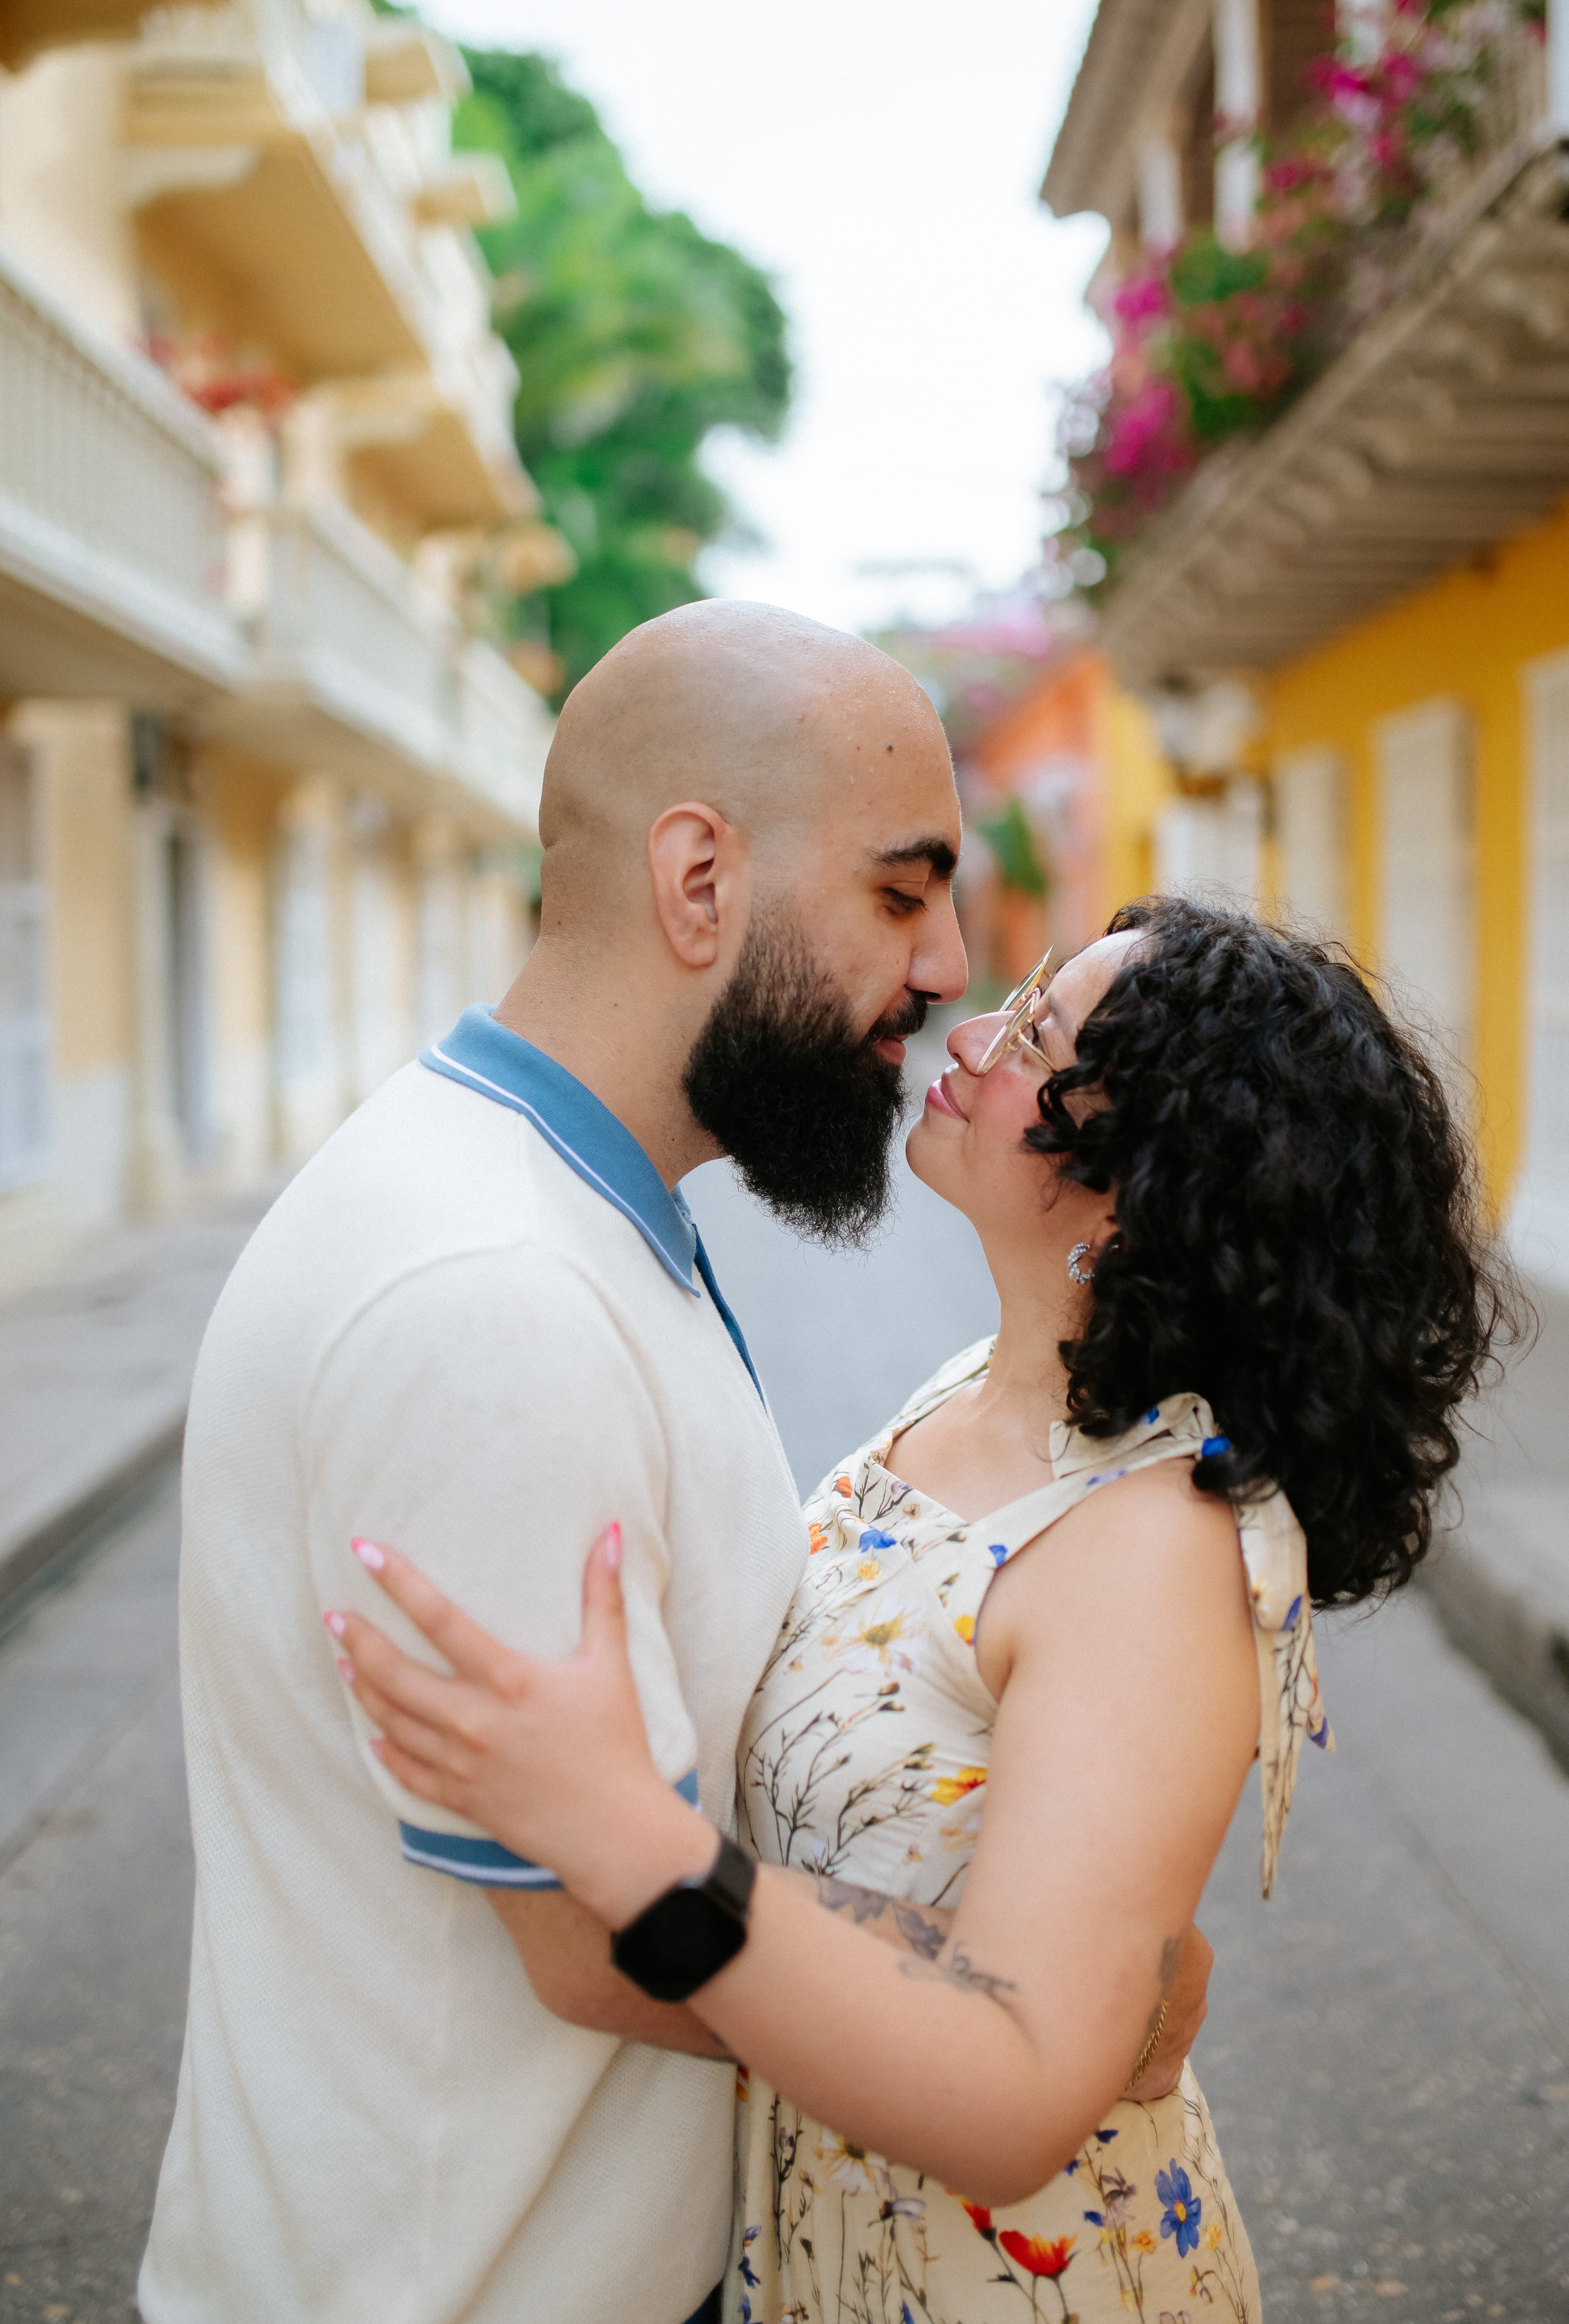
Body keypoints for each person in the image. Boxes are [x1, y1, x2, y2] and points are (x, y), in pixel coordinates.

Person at [140, 599, 1212, 2324]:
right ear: (698, 878)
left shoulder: (560, 1206)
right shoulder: (496, 1295)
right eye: (899, 887)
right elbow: (597, 1923)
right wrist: (1047, 2009)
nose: (948, 966)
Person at [329, 897, 1511, 2324]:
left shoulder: (1149, 1545)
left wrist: (619, 1830)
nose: (972, 1035)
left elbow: (1016, 2096)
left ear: (1147, 1178)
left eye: (1038, 1037)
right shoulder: (980, 1388)